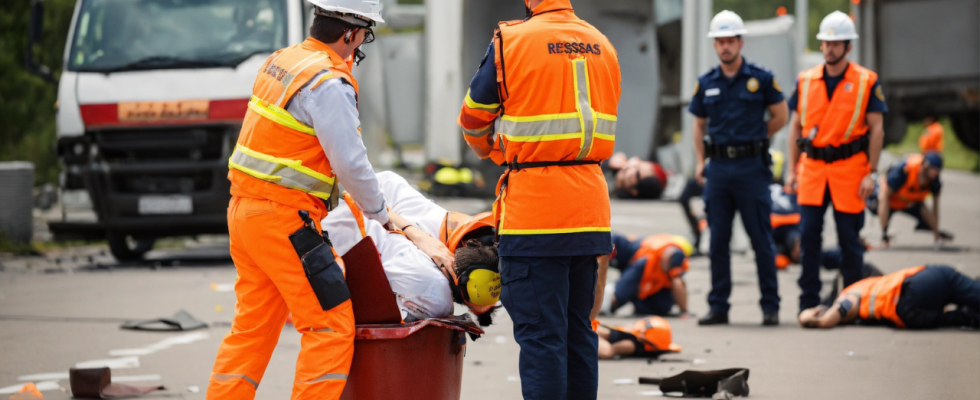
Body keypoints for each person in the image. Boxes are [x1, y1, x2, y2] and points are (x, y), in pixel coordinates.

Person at [207, 2, 386, 399]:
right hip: (284, 219)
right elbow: (350, 163)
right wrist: (380, 214)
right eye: (363, 37)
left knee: (251, 330)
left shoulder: (283, 61)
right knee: (330, 325)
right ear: (350, 34)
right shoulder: (327, 81)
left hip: (244, 212)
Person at [457, 0, 621, 397]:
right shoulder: (602, 43)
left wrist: (497, 153)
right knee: (579, 331)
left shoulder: (511, 40)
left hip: (535, 212)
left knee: (542, 338)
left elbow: (473, 118)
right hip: (590, 208)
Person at [784, 10, 888, 314]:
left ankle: (853, 301)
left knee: (849, 240)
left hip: (850, 169)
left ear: (848, 47)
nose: (829, 48)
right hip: (813, 170)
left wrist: (872, 172)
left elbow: (877, 128)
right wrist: (791, 169)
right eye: (826, 43)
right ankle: (809, 301)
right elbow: (794, 127)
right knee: (809, 238)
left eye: (836, 43)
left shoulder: (866, 80)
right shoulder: (805, 80)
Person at [689, 10, 788, 326]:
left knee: (761, 240)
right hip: (718, 169)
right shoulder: (706, 83)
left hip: (751, 169)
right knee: (718, 241)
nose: (726, 46)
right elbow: (699, 125)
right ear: (715, 45)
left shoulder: (760, 78)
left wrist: (757, 139)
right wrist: (699, 162)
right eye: (720, 41)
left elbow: (781, 115)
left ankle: (770, 307)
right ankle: (719, 307)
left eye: (731, 40)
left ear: (740, 42)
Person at [322, 171, 500, 325]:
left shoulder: (395, 186)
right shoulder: (432, 286)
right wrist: (414, 233)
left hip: (312, 238)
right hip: (317, 261)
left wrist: (413, 232)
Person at [799, 265, 979, 329]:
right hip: (912, 292)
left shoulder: (871, 291)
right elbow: (841, 309)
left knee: (964, 316)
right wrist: (817, 320)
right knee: (951, 279)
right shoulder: (850, 293)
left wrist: (813, 317)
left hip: (909, 316)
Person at [867, 152, 952, 248]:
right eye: (933, 169)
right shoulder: (904, 171)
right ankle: (884, 236)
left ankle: (936, 236)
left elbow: (935, 208)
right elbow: (884, 195)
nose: (935, 173)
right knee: (878, 202)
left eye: (938, 170)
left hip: (910, 203)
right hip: (891, 201)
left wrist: (936, 231)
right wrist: (884, 232)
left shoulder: (934, 180)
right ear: (925, 165)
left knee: (925, 211)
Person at [604, 233, 692, 316]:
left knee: (662, 305)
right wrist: (684, 310)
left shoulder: (660, 241)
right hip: (642, 264)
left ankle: (600, 303)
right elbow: (677, 280)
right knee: (616, 298)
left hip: (637, 258)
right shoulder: (676, 252)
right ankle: (599, 304)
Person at [595, 317, 682, 359]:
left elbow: (609, 351)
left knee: (595, 331)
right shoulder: (635, 343)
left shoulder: (634, 344)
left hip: (610, 337)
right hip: (612, 335)